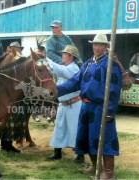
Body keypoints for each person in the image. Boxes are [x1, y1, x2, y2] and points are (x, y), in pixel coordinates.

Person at [56, 34, 122, 179]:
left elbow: (114, 89)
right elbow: (74, 81)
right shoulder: (87, 64)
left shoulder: (111, 64)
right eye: (95, 44)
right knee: (87, 136)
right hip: (86, 107)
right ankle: (95, 166)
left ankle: (109, 172)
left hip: (101, 108)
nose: (97, 47)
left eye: (100, 45)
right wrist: (57, 89)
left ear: (106, 47)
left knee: (104, 138)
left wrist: (110, 111)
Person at [46, 45, 84, 163]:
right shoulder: (64, 67)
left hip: (74, 104)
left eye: (64, 54)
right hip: (63, 104)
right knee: (59, 128)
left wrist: (47, 59)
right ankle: (57, 153)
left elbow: (61, 71)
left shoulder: (74, 69)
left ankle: (80, 155)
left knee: (75, 130)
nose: (62, 55)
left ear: (71, 56)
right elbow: (54, 71)